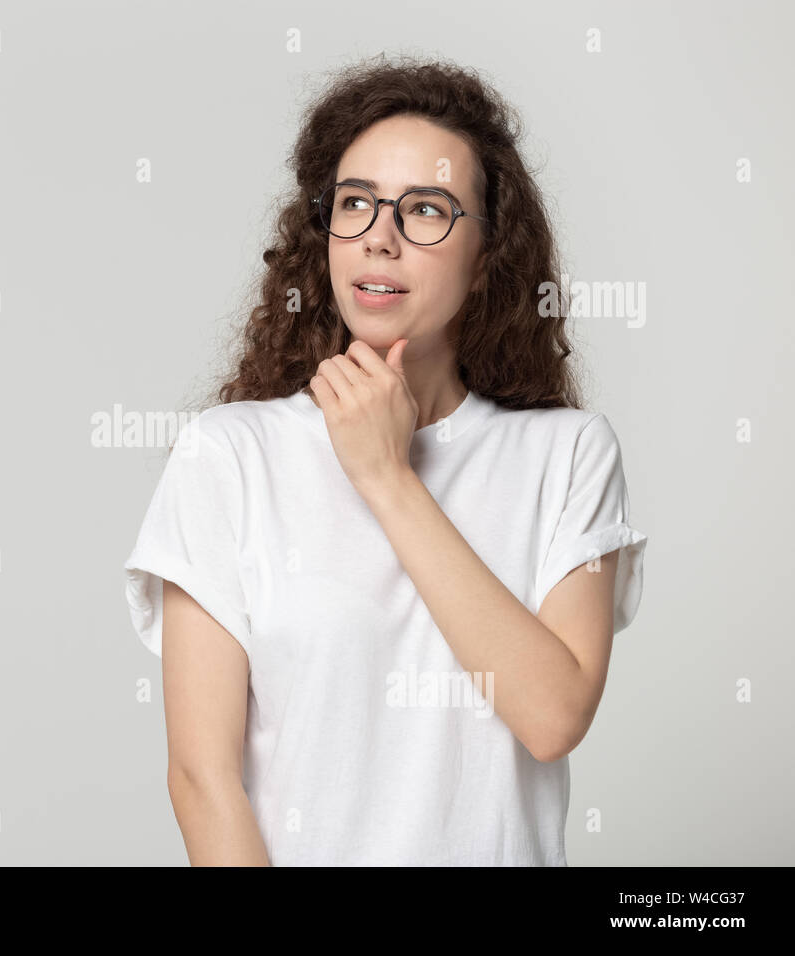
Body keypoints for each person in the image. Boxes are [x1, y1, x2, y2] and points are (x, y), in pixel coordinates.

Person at [122, 55, 648, 866]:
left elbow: (551, 716)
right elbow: (201, 779)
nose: (379, 235)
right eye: (356, 202)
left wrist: (386, 476)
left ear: (487, 258)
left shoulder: (568, 454)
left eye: (427, 209)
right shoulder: (228, 456)